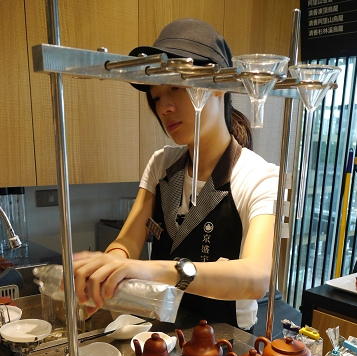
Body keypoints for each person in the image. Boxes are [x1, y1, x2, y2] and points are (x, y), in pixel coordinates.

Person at [72, 18, 279, 332]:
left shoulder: (258, 177)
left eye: (175, 88)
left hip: (225, 342)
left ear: (220, 87)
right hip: (163, 329)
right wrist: (112, 261)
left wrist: (152, 270)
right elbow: (129, 238)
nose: (164, 107)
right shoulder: (162, 165)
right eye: (156, 96)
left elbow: (256, 278)